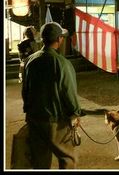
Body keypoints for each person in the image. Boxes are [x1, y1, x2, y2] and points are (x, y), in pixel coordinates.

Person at [21, 22, 82, 169]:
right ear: (59, 39)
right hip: (55, 121)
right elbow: (69, 91)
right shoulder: (62, 63)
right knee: (67, 158)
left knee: (39, 161)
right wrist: (75, 113)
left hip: (35, 119)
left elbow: (25, 90)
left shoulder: (31, 60)